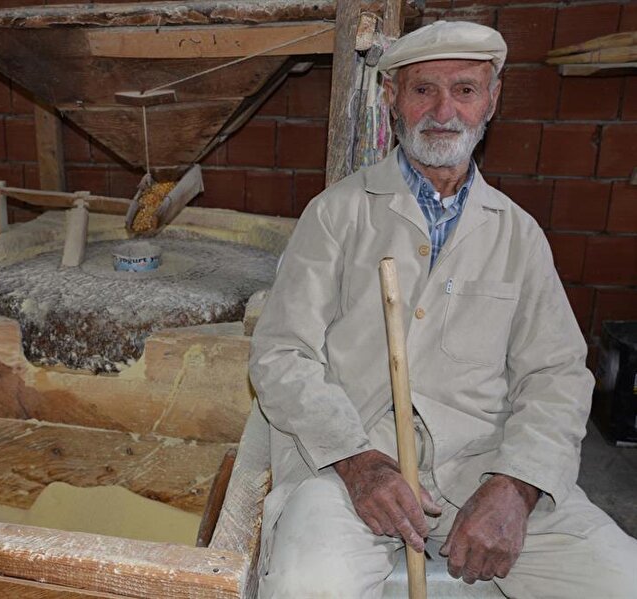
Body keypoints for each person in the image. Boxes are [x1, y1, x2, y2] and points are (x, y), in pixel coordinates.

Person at [249, 20, 637, 598]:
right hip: (351, 470)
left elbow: (555, 376)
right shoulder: (336, 215)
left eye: (464, 90)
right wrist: (359, 463)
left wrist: (516, 485)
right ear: (392, 101)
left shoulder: (518, 236)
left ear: (492, 100)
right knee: (308, 585)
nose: (443, 111)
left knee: (620, 580)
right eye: (423, 89)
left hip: (481, 469)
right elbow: (281, 356)